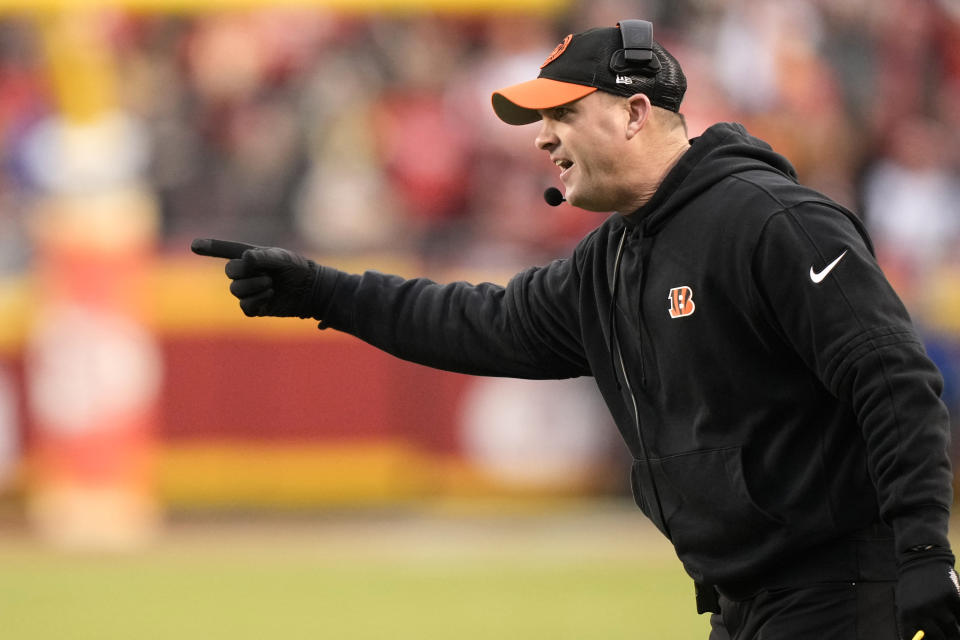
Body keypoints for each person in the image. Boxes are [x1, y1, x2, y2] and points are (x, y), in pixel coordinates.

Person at [192, 20, 960, 640]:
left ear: (633, 113)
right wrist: (324, 291)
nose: (540, 136)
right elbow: (474, 322)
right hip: (747, 602)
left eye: (561, 112)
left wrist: (924, 548)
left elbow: (893, 378)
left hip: (842, 590)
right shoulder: (612, 258)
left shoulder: (771, 223)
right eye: (539, 118)